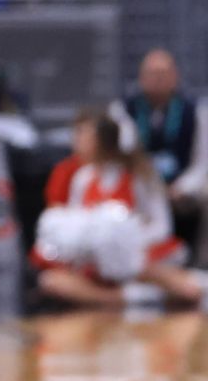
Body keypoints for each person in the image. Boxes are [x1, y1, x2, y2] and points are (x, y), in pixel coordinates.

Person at [33, 114, 205, 306]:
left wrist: (125, 244)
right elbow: (77, 224)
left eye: (83, 135)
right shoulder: (83, 177)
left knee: (177, 283)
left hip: (140, 255)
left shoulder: (141, 175)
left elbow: (162, 226)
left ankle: (137, 293)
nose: (76, 142)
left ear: (104, 140)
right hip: (97, 262)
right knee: (51, 281)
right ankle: (131, 298)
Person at [111, 48, 208, 248]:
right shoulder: (122, 111)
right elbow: (118, 158)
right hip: (139, 186)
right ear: (141, 77)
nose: (157, 79)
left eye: (163, 74)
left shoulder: (195, 111)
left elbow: (203, 161)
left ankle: (200, 261)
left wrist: (182, 187)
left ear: (175, 77)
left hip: (180, 186)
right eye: (152, 74)